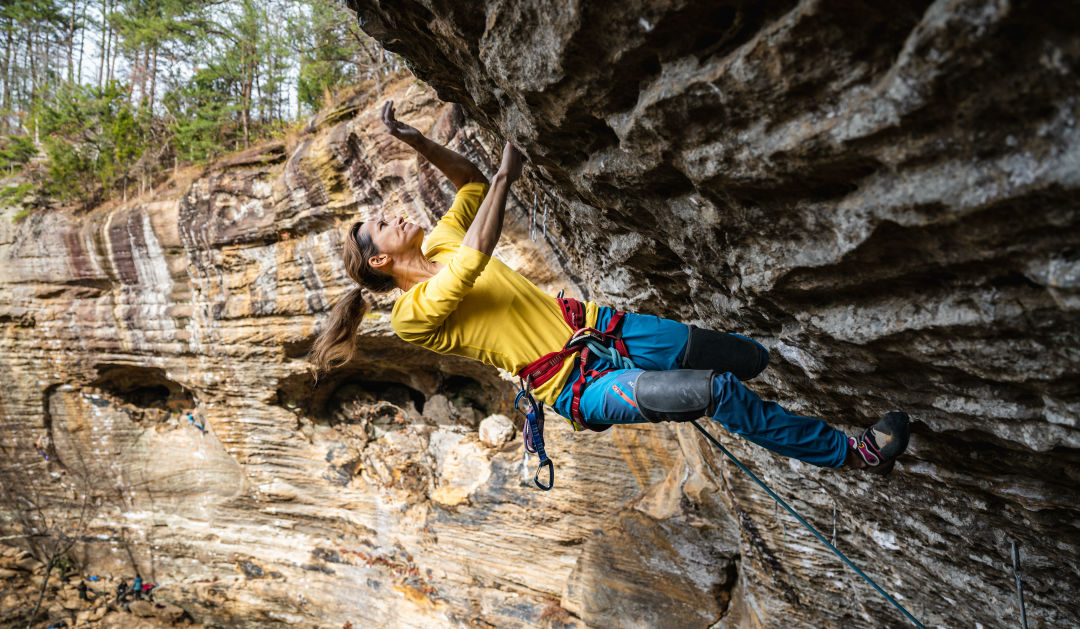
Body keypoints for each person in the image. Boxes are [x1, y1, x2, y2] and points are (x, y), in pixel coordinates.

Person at [309, 100, 909, 475]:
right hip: (579, 385)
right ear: (382, 259)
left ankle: (780, 405)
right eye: (383, 224)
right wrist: (507, 174)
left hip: (604, 329)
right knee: (720, 390)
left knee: (747, 357)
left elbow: (467, 184)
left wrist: (418, 142)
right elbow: (474, 259)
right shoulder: (412, 313)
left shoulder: (437, 240)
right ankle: (854, 455)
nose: (395, 214)